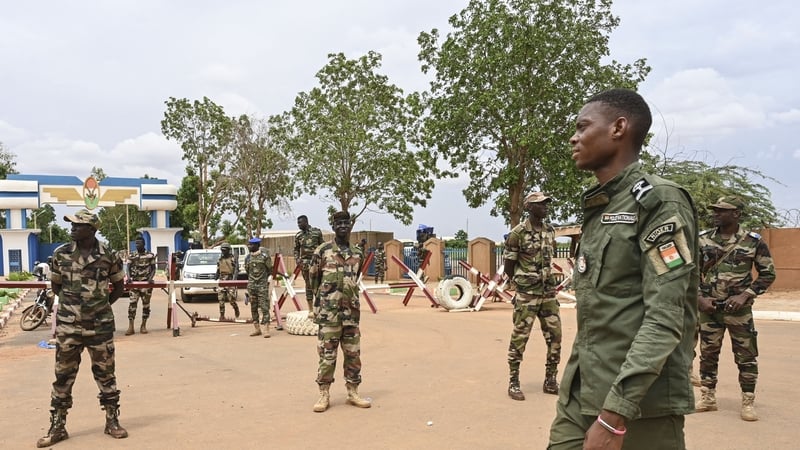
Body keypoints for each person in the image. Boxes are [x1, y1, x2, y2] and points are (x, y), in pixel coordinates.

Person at [548, 89, 699, 450]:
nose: (574, 136)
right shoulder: (602, 206)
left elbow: (664, 318)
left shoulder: (659, 202)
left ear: (619, 127)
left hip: (637, 408)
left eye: (583, 126)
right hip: (583, 392)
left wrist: (614, 416)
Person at [36, 209, 128, 447]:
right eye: (72, 225)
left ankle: (112, 421)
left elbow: (118, 287)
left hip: (100, 327)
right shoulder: (61, 254)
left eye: (78, 225)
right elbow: (57, 287)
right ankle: (58, 426)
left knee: (106, 375)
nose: (72, 228)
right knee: (63, 377)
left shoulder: (109, 255)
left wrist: (99, 308)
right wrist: (74, 309)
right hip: (69, 327)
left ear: (92, 229)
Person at [695, 195, 776, 422]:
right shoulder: (702, 240)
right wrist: (699, 298)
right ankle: (708, 397)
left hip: (738, 311)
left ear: (736, 214)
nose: (716, 213)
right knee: (708, 354)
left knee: (746, 356)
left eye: (721, 210)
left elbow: (768, 273)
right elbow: (690, 273)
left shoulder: (753, 242)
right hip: (709, 309)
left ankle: (748, 401)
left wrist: (746, 294)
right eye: (715, 210)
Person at [309, 211, 371, 413]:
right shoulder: (323, 250)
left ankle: (353, 391)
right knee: (327, 356)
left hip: (351, 314)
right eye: (339, 223)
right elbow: (314, 280)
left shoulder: (357, 253)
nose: (343, 226)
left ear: (350, 225)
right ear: (334, 226)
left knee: (353, 355)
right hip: (329, 315)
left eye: (346, 223)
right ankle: (324, 393)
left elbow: (356, 278)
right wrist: (318, 306)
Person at [504, 191, 562, 400]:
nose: (545, 207)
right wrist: (520, 284)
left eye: (547, 203)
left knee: (555, 337)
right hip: (527, 294)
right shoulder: (517, 233)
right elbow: (509, 265)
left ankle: (551, 380)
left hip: (548, 293)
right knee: (520, 337)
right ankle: (513, 381)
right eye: (540, 204)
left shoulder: (550, 230)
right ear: (529, 207)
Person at [125, 235, 156, 335]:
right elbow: (128, 268)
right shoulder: (132, 255)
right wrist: (129, 278)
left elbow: (153, 268)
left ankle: (143, 325)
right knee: (132, 304)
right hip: (134, 284)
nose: (137, 245)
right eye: (136, 243)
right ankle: (131, 326)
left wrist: (150, 279)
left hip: (146, 284)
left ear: (144, 244)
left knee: (146, 305)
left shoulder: (150, 255)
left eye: (139, 243)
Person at [294, 215, 324, 318]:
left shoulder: (317, 232)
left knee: (319, 285)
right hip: (305, 264)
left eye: (300, 223)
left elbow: (322, 246)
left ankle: (319, 307)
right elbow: (296, 249)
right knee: (308, 286)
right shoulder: (298, 236)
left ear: (306, 222)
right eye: (298, 223)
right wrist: (297, 259)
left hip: (316, 263)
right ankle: (310, 309)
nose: (298, 225)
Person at [245, 237, 273, 338]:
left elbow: (270, 269)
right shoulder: (248, 258)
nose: (249, 246)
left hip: (262, 286)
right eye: (249, 244)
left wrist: (263, 279)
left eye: (251, 245)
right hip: (252, 286)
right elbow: (248, 271)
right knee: (253, 308)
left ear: (257, 245)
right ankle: (257, 329)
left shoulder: (265, 257)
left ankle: (266, 329)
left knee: (264, 307)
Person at [215, 242, 240, 320]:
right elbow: (218, 270)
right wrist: (215, 279)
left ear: (229, 250)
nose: (223, 252)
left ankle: (236, 308)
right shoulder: (220, 259)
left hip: (230, 279)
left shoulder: (233, 259)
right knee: (221, 299)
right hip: (222, 279)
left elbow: (236, 270)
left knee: (231, 299)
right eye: (222, 250)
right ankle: (222, 315)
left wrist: (234, 281)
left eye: (225, 250)